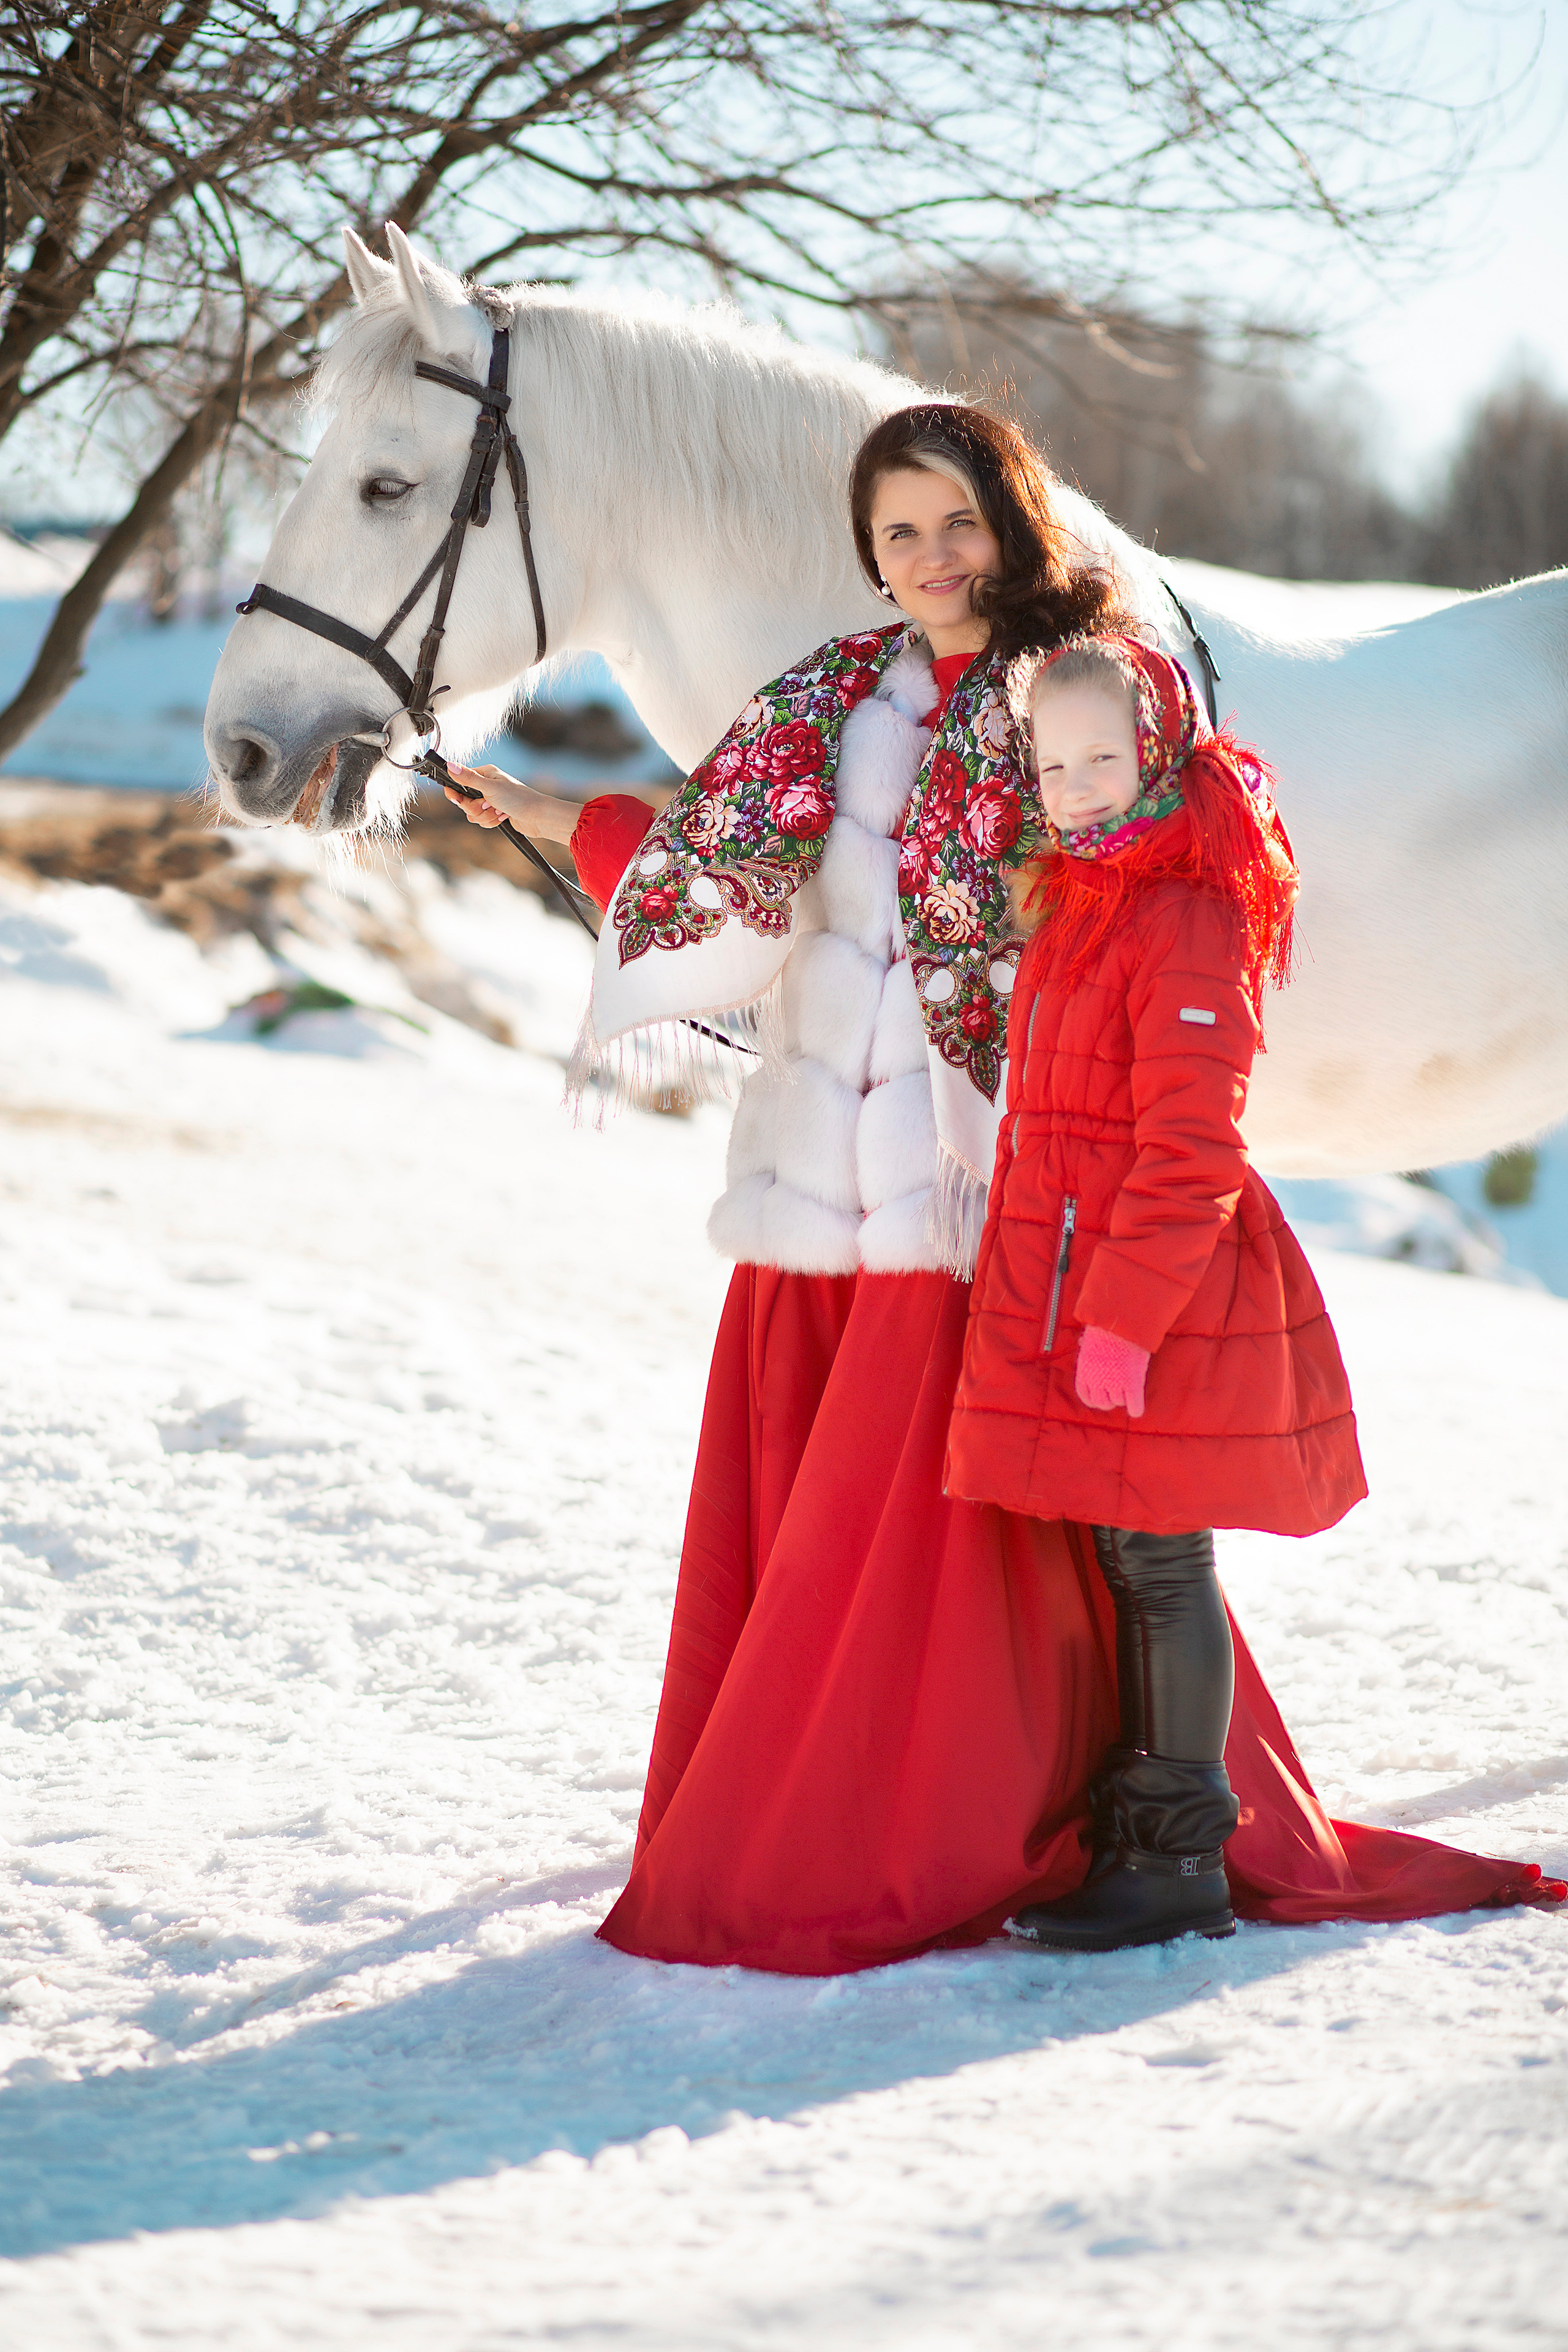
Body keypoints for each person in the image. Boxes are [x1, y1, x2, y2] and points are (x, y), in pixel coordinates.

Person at [449, 405, 1562, 1973]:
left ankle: (1036, 1825)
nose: (926, 559)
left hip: (983, 1168)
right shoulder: (838, 690)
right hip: (825, 1162)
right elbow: (740, 860)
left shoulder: (1076, 686)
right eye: (896, 531)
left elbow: (1157, 862)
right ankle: (878, 1812)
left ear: (1014, 519)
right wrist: (557, 814)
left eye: (954, 523)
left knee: (1045, 1539)